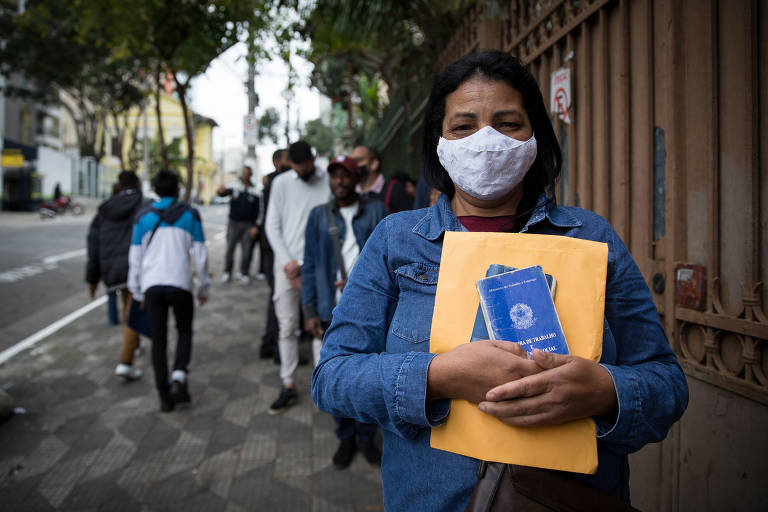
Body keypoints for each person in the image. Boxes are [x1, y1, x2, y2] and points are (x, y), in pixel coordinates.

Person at [311, 51, 688, 510]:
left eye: (508, 123)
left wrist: (605, 392)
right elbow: (332, 377)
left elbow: (667, 385)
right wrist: (437, 376)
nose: (486, 141)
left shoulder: (592, 238)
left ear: (535, 137)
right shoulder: (395, 240)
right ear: (439, 141)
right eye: (463, 127)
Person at [301, 155, 387, 469]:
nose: (339, 182)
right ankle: (345, 437)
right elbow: (309, 265)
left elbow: (390, 258)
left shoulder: (376, 211)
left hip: (370, 310)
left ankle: (366, 436)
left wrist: (363, 281)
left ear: (357, 179)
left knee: (367, 377)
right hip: (329, 309)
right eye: (334, 176)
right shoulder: (318, 217)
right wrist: (309, 309)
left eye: (345, 176)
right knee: (336, 376)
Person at [128, 170, 210, 412]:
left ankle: (164, 396)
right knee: (184, 331)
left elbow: (135, 259)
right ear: (177, 190)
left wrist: (137, 292)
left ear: (155, 190)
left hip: (152, 287)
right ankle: (179, 376)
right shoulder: (191, 214)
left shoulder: (142, 217)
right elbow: (201, 256)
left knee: (158, 340)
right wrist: (203, 287)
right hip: (181, 284)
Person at [265, 140, 331, 414]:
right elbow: (272, 225)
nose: (304, 171)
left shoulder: (325, 177)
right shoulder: (281, 184)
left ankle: (323, 385)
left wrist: (309, 264)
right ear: (290, 163)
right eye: (298, 166)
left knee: (321, 325)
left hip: (317, 266)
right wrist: (287, 263)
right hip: (287, 267)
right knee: (288, 326)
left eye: (308, 165)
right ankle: (288, 383)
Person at [86, 171, 148, 381]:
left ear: (119, 185)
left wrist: (92, 278)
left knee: (127, 306)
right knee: (133, 312)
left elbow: (93, 244)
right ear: (137, 184)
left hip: (112, 270)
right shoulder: (145, 205)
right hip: (136, 268)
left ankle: (135, 345)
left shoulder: (105, 209)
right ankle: (125, 361)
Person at [258, 149, 291, 361]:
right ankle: (274, 346)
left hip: (272, 247)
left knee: (277, 298)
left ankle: (272, 344)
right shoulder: (277, 182)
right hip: (274, 249)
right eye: (289, 159)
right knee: (278, 298)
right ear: (278, 161)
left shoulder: (272, 181)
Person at [216, 165, 260, 284]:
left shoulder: (255, 190)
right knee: (230, 248)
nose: (244, 175)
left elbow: (258, 210)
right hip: (233, 222)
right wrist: (220, 191)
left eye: (247, 173)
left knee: (246, 250)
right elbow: (222, 193)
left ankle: (244, 272)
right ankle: (227, 272)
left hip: (248, 224)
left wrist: (256, 225)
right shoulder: (234, 186)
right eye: (243, 172)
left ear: (250, 175)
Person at [350, 145, 413, 213]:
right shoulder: (351, 194)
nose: (353, 165)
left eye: (358, 160)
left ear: (374, 164)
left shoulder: (394, 188)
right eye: (351, 162)